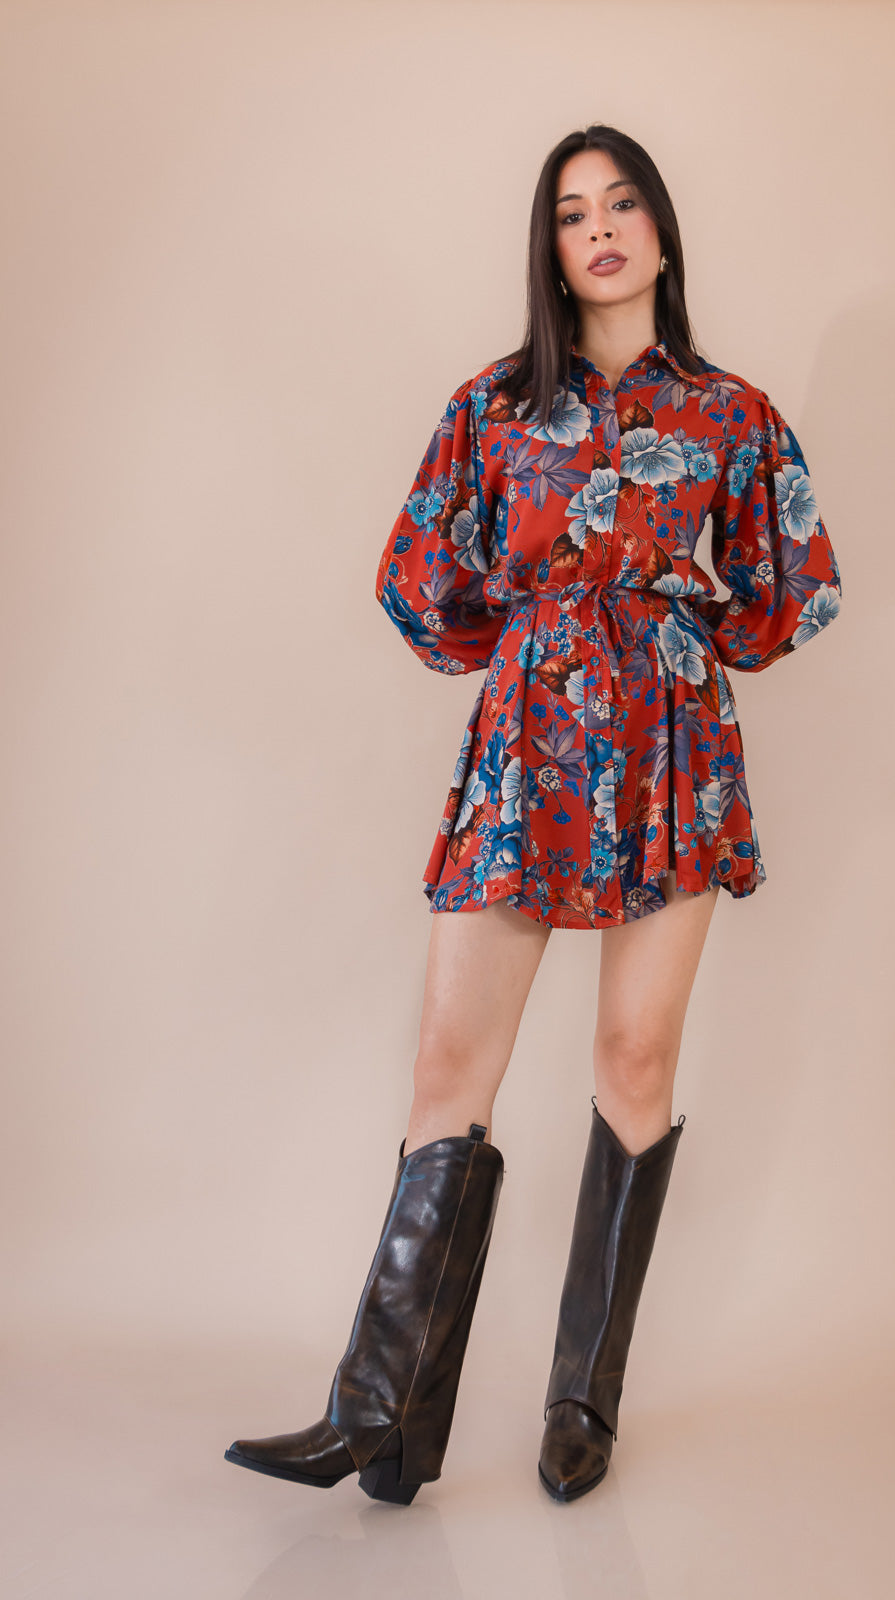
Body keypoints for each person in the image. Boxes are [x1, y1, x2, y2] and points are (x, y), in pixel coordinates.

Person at [224, 123, 842, 1507]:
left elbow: (797, 583)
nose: (601, 229)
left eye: (623, 204)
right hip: (527, 749)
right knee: (451, 1063)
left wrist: (675, 636)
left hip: (671, 756)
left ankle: (581, 1402)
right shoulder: (494, 407)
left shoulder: (731, 413)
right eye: (573, 212)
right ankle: (379, 1412)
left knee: (635, 1057)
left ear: (662, 233)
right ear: (550, 249)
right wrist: (537, 634)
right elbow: (417, 578)